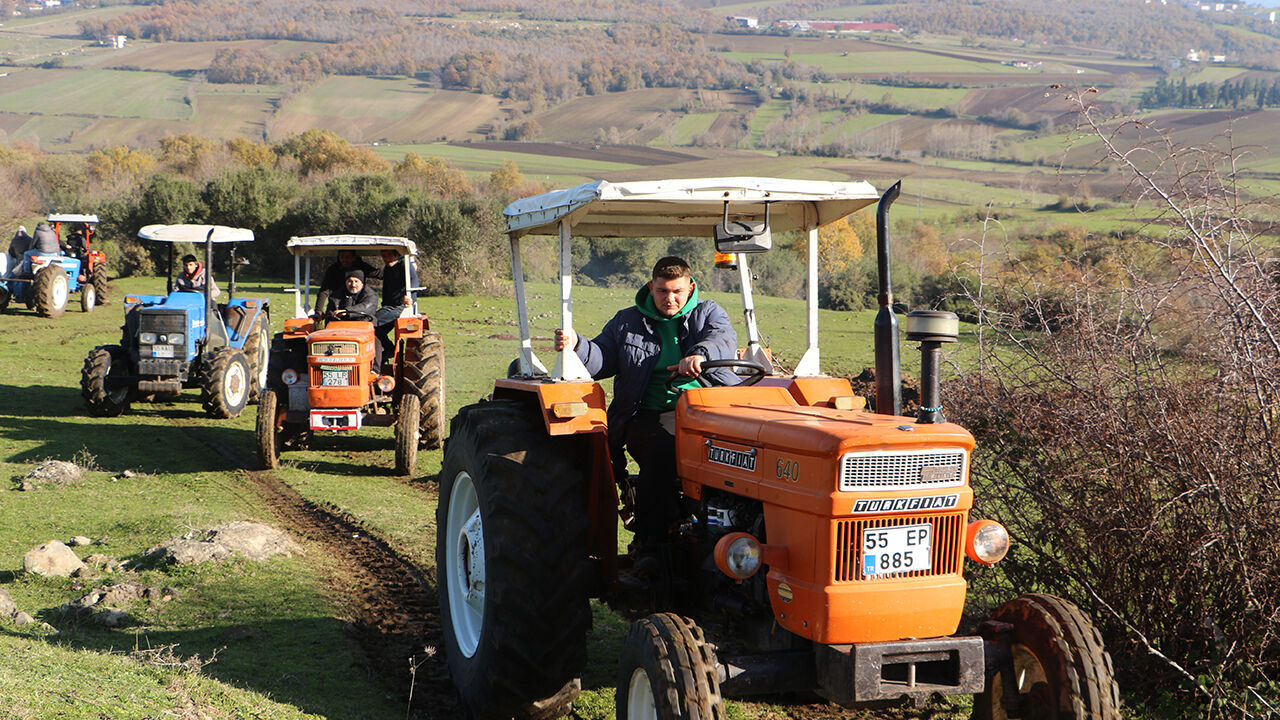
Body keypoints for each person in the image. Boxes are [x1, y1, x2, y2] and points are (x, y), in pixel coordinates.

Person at [555, 256, 738, 562]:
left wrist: (701, 354)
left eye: (677, 291)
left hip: (706, 409)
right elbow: (603, 359)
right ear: (651, 287)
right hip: (648, 413)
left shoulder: (708, 313)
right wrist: (577, 345)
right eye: (663, 291)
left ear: (690, 287)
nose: (670, 299)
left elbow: (721, 338)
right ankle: (651, 544)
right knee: (664, 453)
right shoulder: (627, 322)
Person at [324, 268, 382, 367]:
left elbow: (366, 307)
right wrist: (334, 315)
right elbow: (331, 310)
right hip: (341, 326)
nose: (353, 284)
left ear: (362, 282)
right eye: (350, 281)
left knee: (375, 340)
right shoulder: (337, 295)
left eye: (356, 281)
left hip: (363, 325)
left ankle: (375, 369)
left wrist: (347, 312)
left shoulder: (371, 295)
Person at [374, 248, 415, 366]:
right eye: (383, 255)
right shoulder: (387, 268)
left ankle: (390, 349)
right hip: (388, 306)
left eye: (389, 255)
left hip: (401, 307)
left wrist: (410, 298)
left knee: (372, 325)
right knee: (369, 325)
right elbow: (386, 288)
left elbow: (414, 282)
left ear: (396, 255)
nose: (386, 258)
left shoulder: (404, 266)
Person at [315, 250, 378, 316]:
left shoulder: (369, 295)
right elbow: (324, 290)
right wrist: (318, 311)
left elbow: (366, 307)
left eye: (347, 257)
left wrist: (347, 311)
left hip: (359, 311)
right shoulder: (333, 270)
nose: (344, 259)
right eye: (342, 257)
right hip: (341, 302)